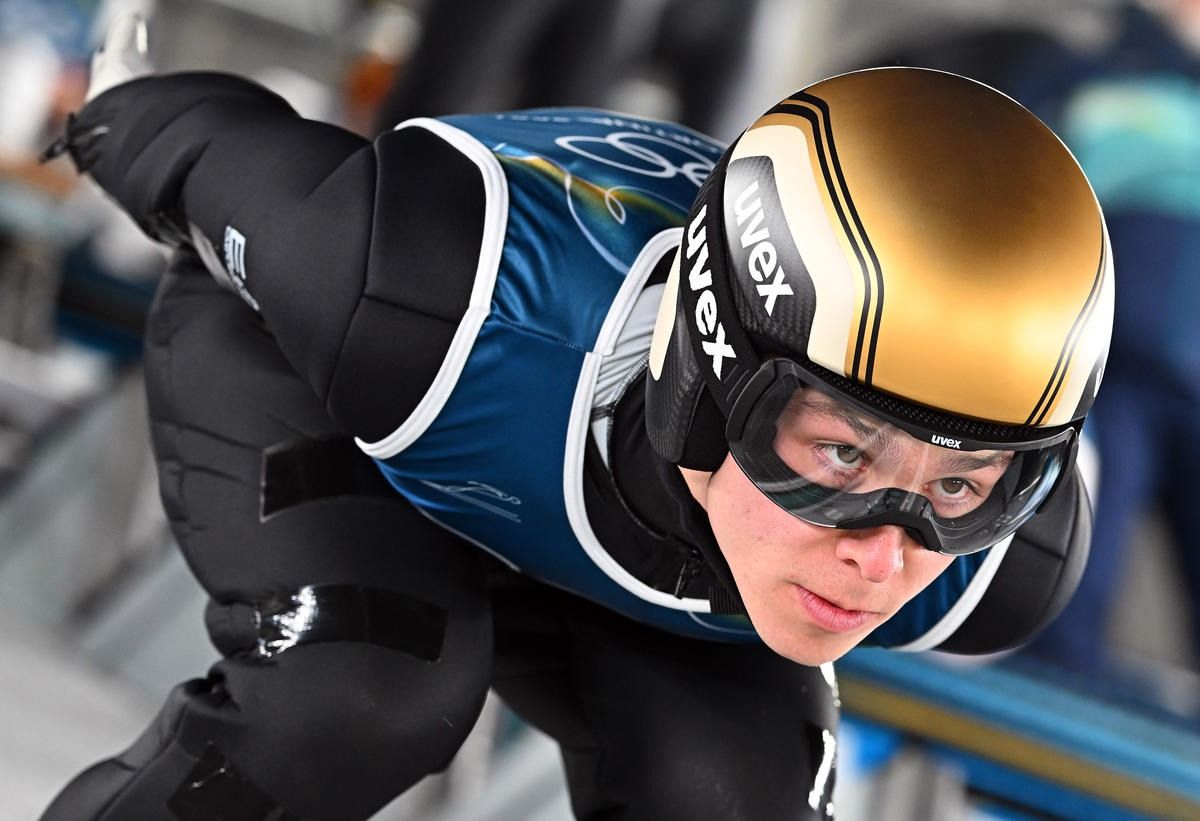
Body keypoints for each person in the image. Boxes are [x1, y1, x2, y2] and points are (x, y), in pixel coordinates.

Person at [39, 16, 1111, 821]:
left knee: (731, 800)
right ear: (711, 373)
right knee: (363, 690)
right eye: (839, 453)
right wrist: (97, 108)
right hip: (356, 379)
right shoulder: (427, 289)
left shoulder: (1000, 563)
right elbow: (200, 143)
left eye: (961, 488)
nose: (881, 559)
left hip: (579, 459)